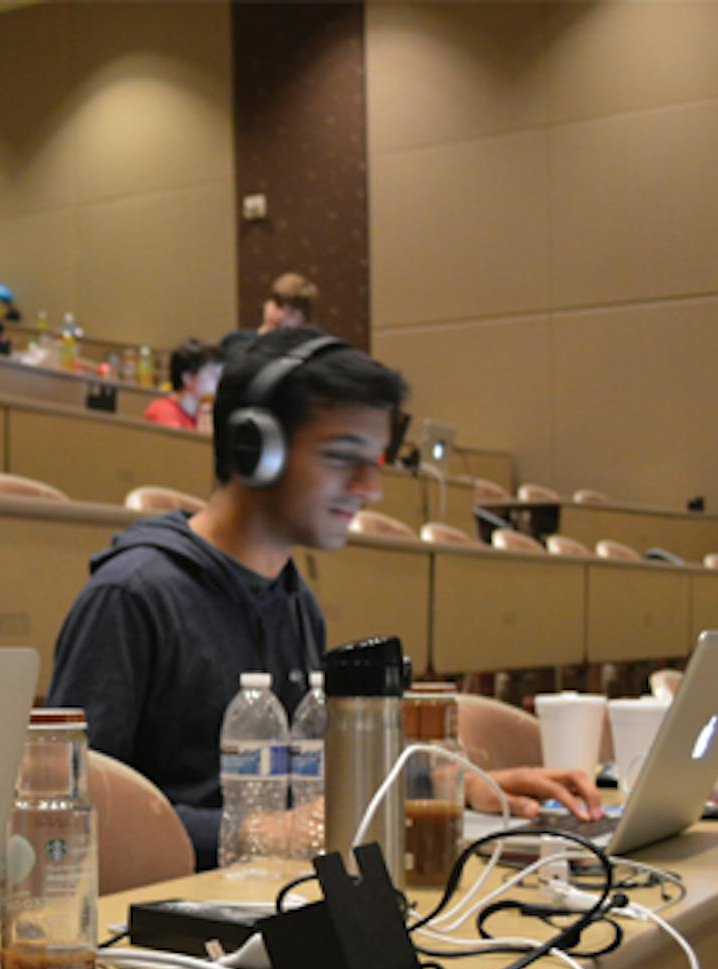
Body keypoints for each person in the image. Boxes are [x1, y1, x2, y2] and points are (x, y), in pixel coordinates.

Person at [45, 329, 602, 869]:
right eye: (343, 456)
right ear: (254, 448)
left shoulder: (294, 599)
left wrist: (452, 788)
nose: (370, 487)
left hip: (277, 898)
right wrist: (251, 829)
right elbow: (70, 814)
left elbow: (313, 787)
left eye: (376, 461)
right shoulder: (131, 597)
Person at [221, 271, 317, 357]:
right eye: (278, 305)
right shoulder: (235, 341)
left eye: (291, 312)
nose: (281, 315)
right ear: (267, 304)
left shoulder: (307, 353)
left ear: (304, 319)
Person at [144, 339, 222, 432]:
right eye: (213, 376)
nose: (220, 382)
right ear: (188, 379)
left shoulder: (202, 412)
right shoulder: (162, 412)